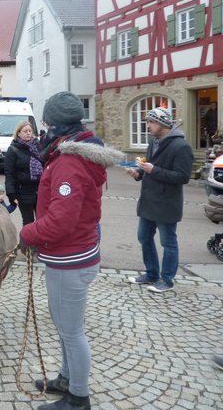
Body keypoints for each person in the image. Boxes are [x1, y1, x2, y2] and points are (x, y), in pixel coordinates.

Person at [19, 91, 124, 410]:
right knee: (65, 326)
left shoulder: (67, 162)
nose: (42, 130)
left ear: (54, 125)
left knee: (72, 331)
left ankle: (78, 397)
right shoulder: (70, 155)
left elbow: (61, 222)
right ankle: (65, 378)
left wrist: (26, 233)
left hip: (70, 258)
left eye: (46, 123)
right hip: (69, 255)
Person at [126, 107, 194, 293]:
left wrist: (153, 170)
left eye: (151, 122)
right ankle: (151, 274)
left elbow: (183, 177)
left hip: (167, 203)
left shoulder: (181, 146)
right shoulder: (153, 142)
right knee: (144, 237)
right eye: (147, 122)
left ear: (162, 123)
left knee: (168, 243)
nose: (147, 126)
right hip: (148, 201)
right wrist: (138, 173)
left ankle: (167, 280)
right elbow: (149, 168)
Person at [4, 121, 43, 225]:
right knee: (28, 222)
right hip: (23, 192)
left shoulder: (39, 146)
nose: (28, 133)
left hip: (41, 191)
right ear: (18, 133)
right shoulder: (13, 150)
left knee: (42, 222)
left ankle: (40, 242)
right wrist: (11, 194)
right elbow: (9, 173)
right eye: (25, 131)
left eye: (30, 131)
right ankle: (27, 242)